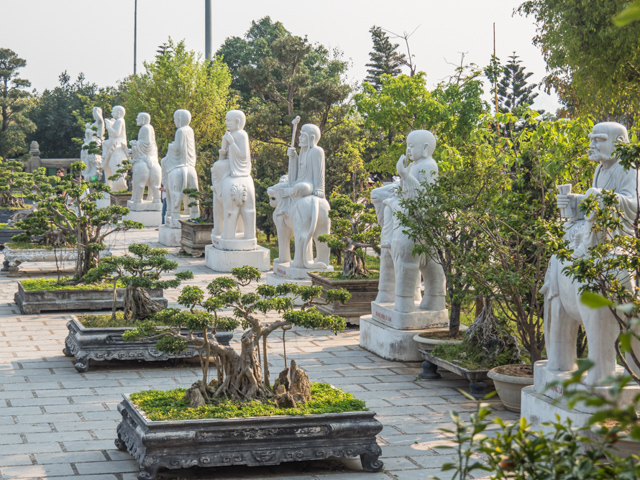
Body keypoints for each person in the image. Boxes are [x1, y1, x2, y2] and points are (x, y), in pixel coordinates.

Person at [211, 110, 251, 236]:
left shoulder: (241, 135)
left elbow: (243, 156)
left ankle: (219, 189)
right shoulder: (230, 134)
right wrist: (224, 146)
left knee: (218, 166)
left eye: (229, 120)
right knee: (217, 166)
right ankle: (218, 189)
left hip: (238, 166)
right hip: (228, 163)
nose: (226, 122)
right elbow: (223, 157)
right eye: (226, 120)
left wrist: (232, 143)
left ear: (238, 122)